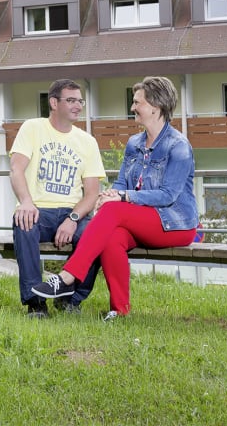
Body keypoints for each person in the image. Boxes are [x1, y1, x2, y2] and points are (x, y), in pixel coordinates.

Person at [32, 76, 199, 321]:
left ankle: (68, 277)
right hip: (144, 221)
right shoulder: (134, 143)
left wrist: (122, 197)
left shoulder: (179, 146)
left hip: (175, 223)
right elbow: (122, 183)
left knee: (113, 212)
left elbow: (168, 195)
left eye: (137, 103)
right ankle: (119, 311)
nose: (132, 108)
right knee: (112, 238)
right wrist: (111, 193)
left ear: (155, 106)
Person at [9, 78, 106, 318]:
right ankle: (35, 301)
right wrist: (26, 201)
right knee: (24, 223)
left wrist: (73, 218)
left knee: (94, 234)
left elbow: (92, 193)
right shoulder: (32, 128)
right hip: (38, 210)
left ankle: (70, 299)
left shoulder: (87, 141)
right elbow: (16, 169)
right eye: (71, 100)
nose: (78, 105)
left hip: (72, 212)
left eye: (80, 100)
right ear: (54, 102)